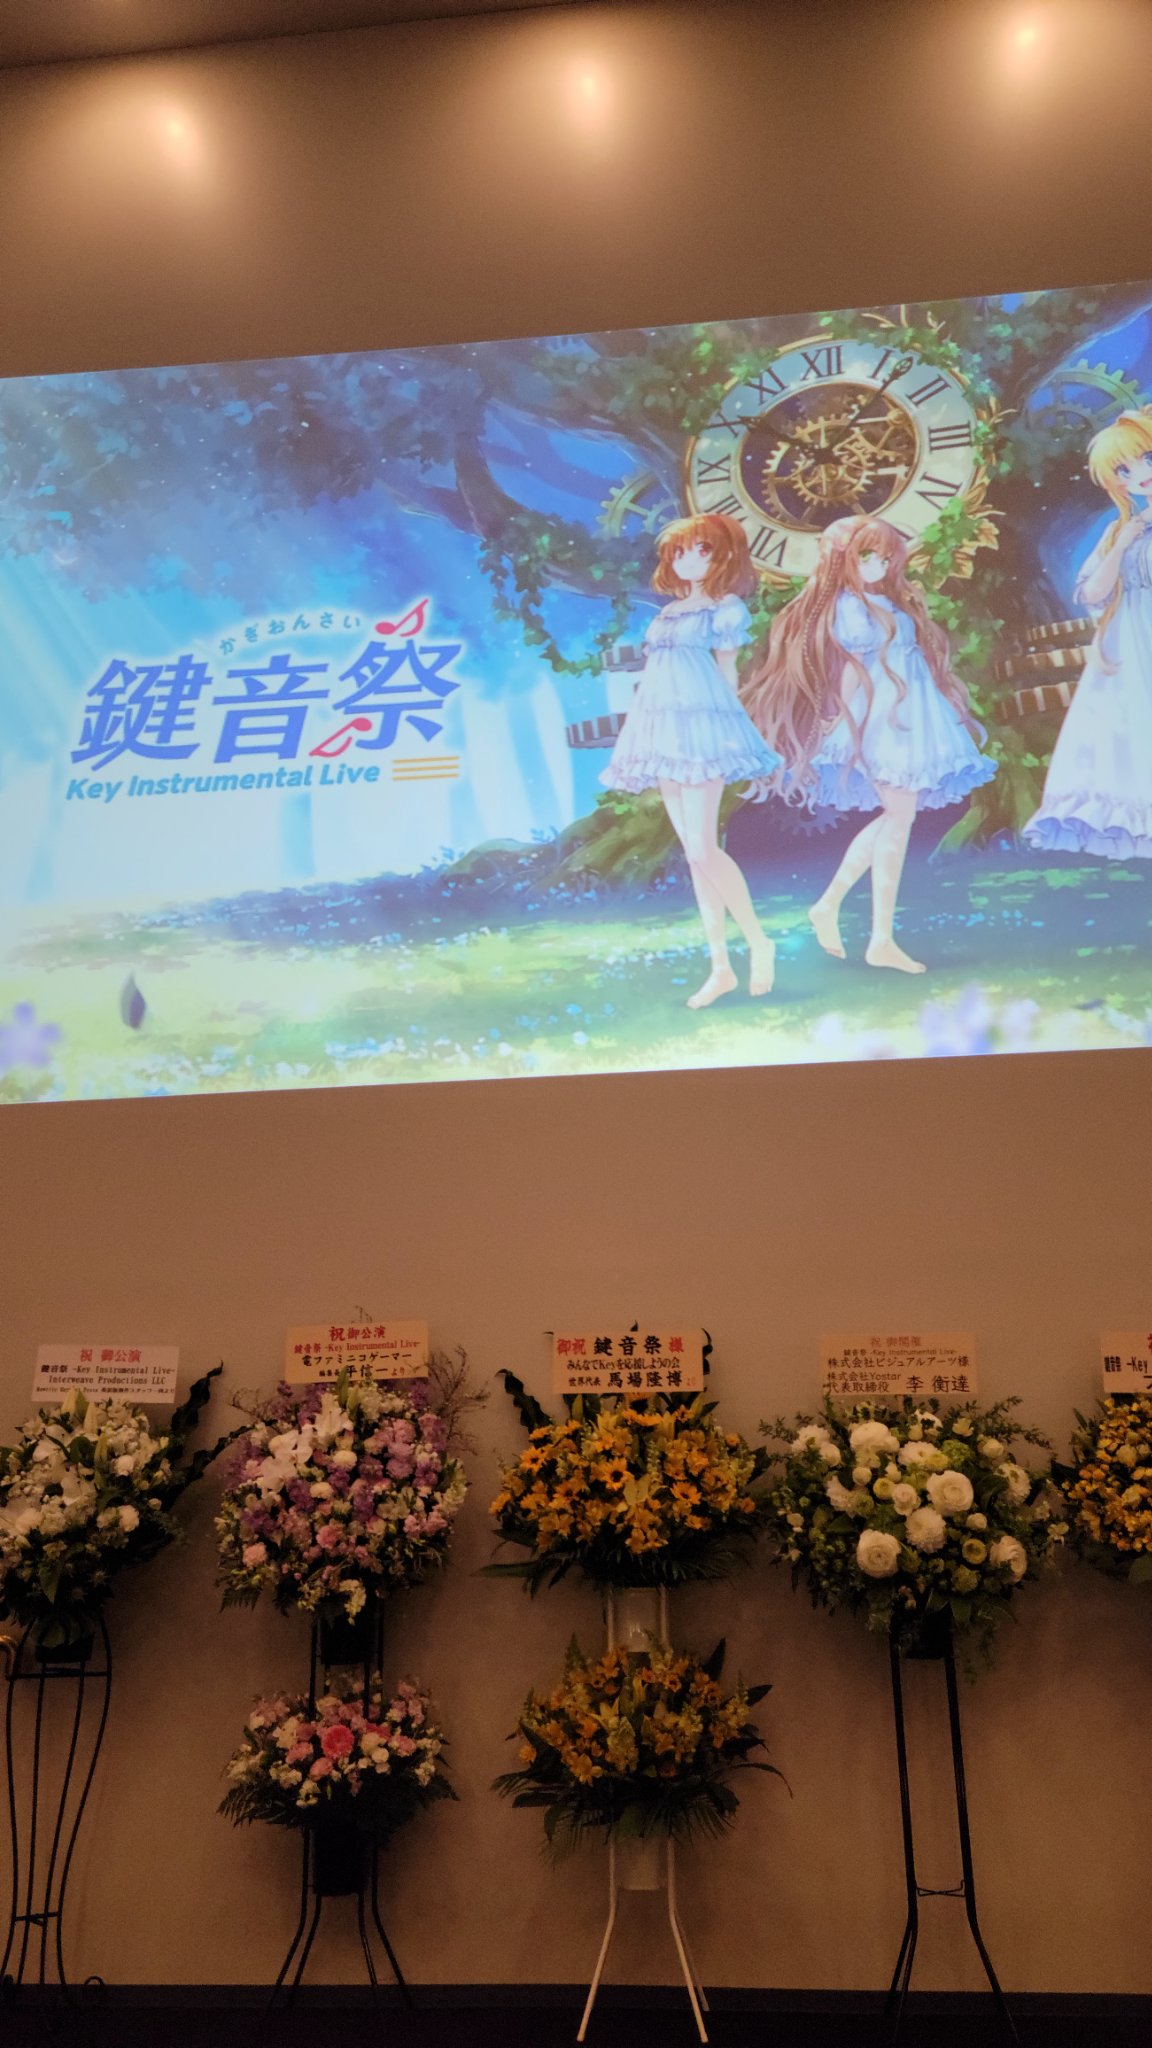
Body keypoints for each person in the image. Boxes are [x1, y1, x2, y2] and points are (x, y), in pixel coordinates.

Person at [741, 515, 995, 974]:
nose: (877, 566)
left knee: (898, 817)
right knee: (899, 818)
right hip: (881, 717)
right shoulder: (850, 607)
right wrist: (839, 719)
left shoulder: (886, 601)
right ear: (842, 560)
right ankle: (877, 937)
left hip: (914, 713)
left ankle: (833, 908)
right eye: (866, 557)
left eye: (884, 557)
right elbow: (851, 671)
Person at [601, 511, 780, 1008]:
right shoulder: (669, 613)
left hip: (704, 730)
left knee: (703, 850)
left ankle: (759, 942)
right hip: (663, 731)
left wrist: (729, 733)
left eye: (700, 550)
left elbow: (727, 673)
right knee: (695, 856)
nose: (688, 560)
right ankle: (720, 966)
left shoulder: (724, 609)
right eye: (679, 552)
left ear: (723, 555)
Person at [1024, 406, 1152, 860]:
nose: (1140, 475)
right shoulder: (1120, 529)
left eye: (1147, 459)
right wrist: (1123, 542)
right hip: (1129, 645)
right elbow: (1092, 592)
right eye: (1124, 470)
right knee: (1132, 731)